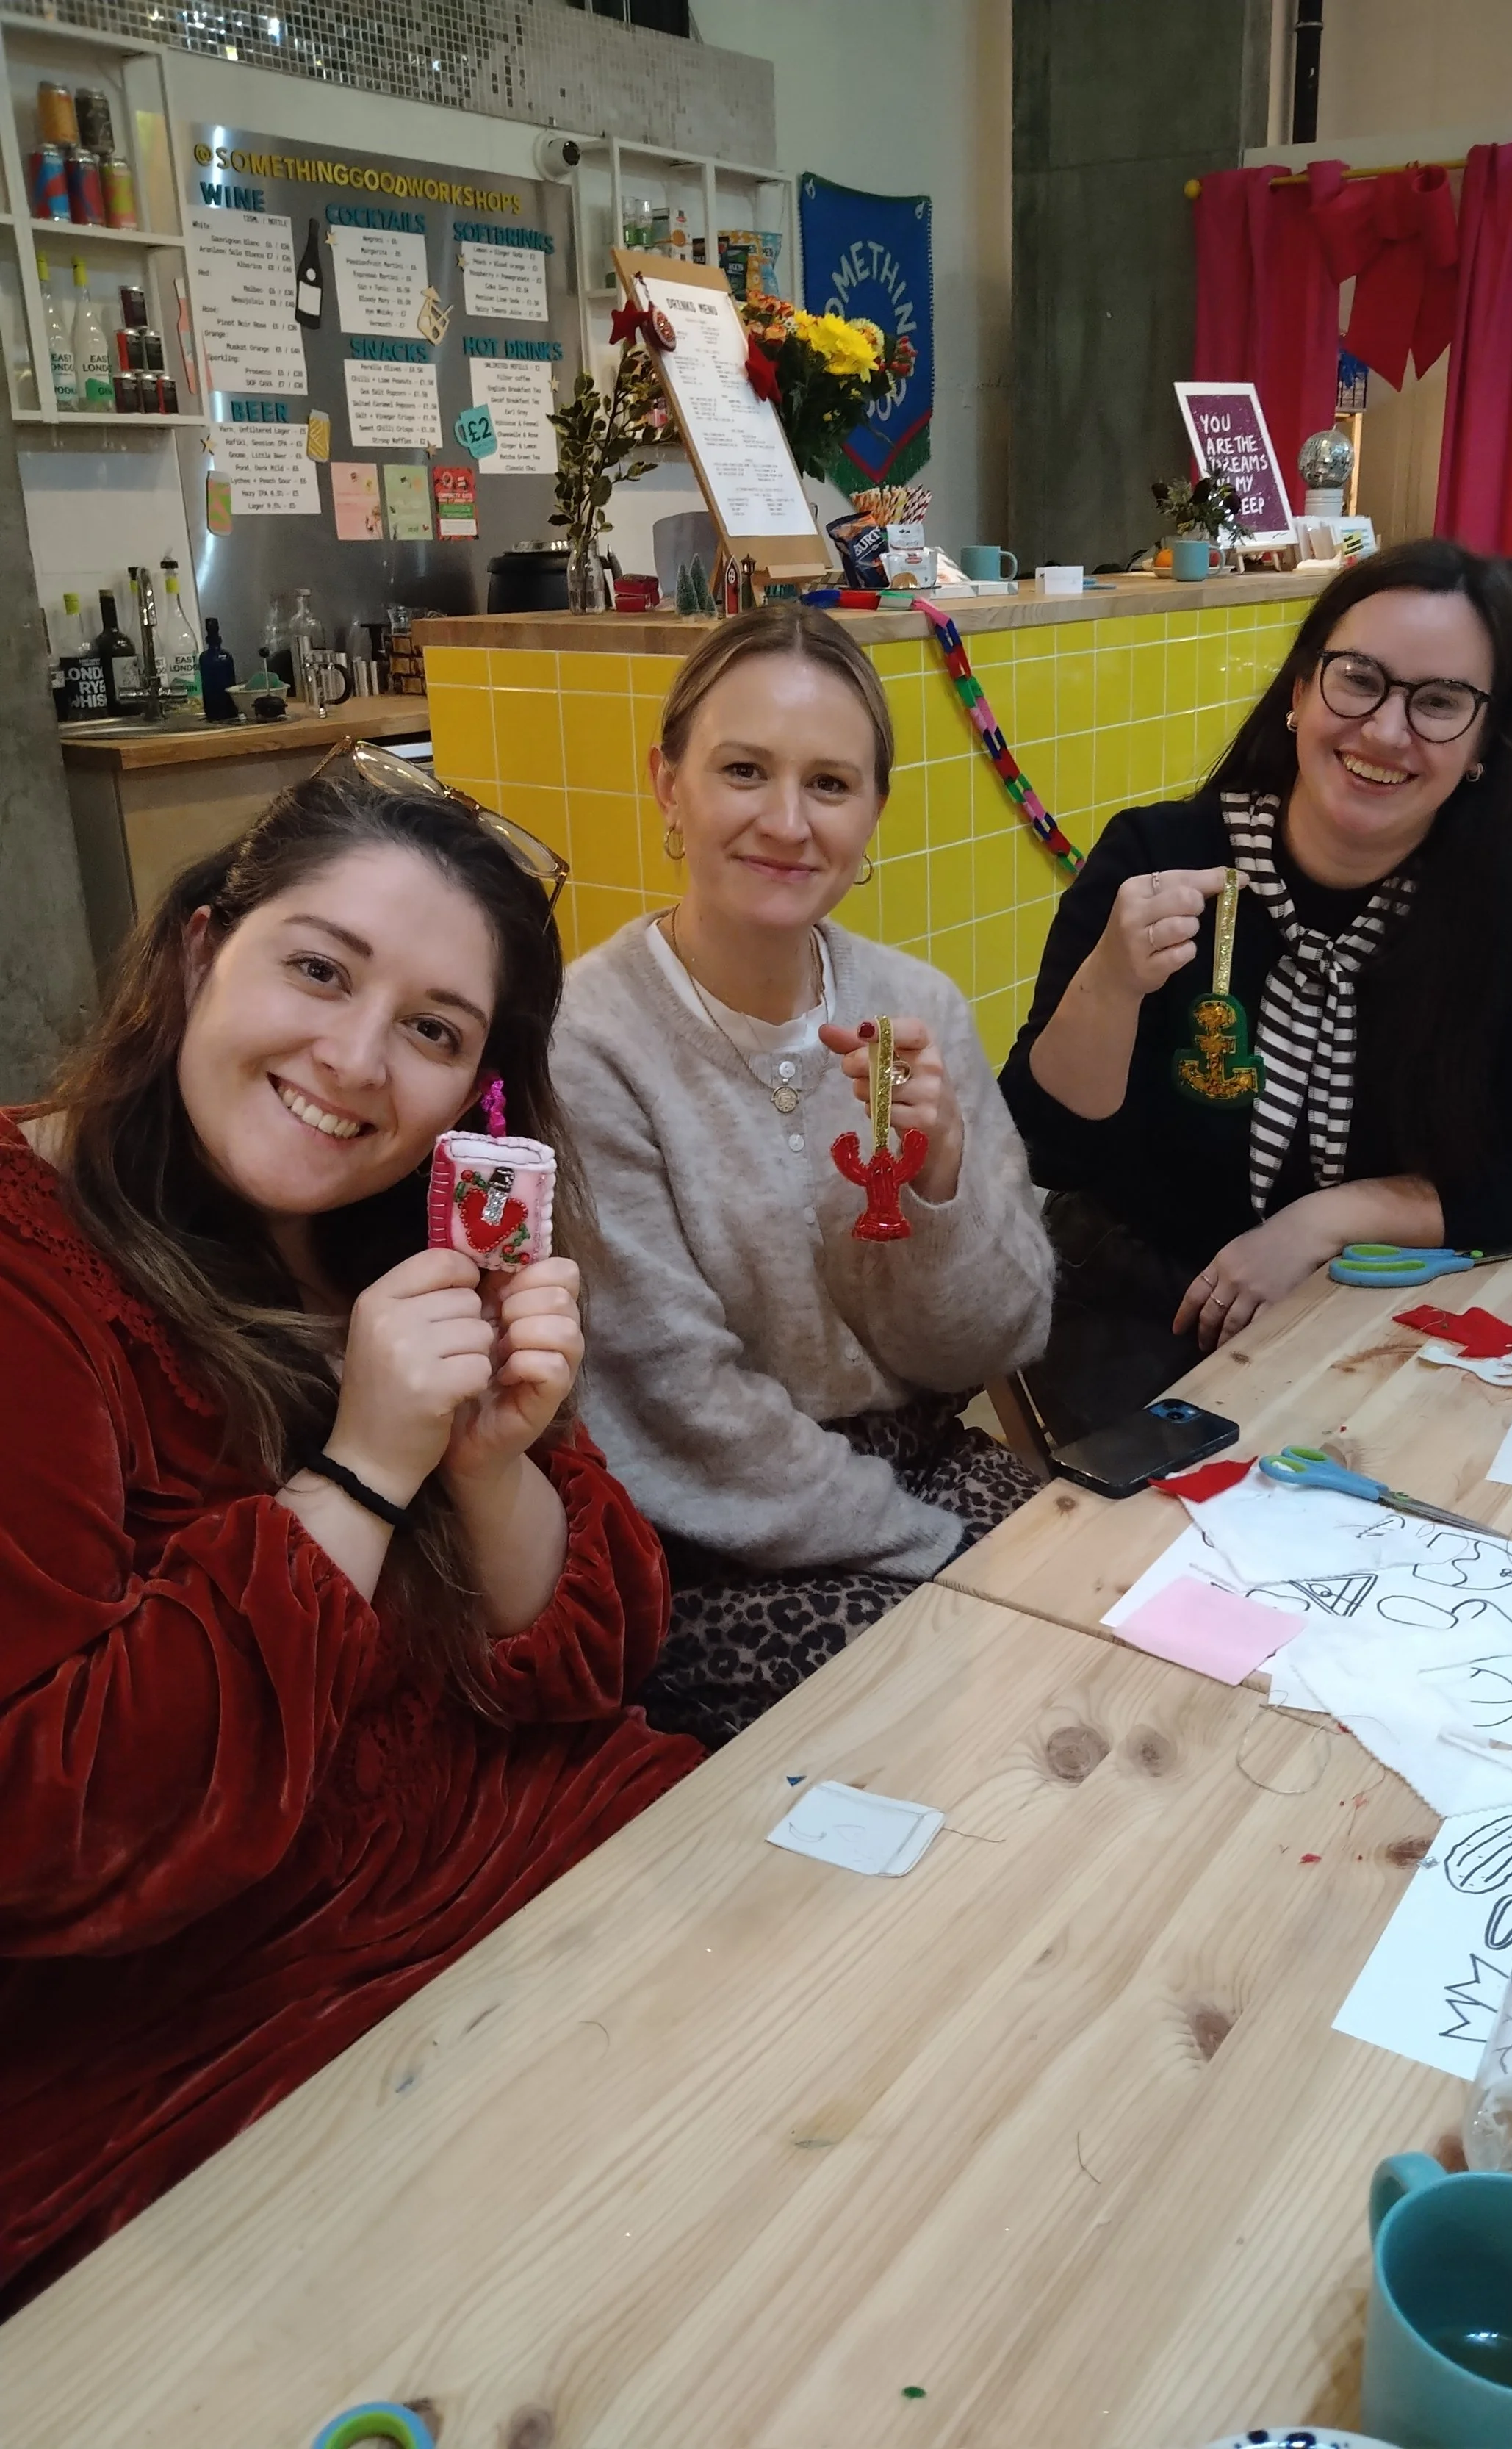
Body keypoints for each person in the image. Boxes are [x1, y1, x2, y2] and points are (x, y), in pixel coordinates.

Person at [0, 751, 700, 2311]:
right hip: (205, 2056)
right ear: (200, 952)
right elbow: (55, 1826)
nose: (357, 1059)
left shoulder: (400, 1242)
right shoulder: (28, 1268)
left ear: (478, 1093)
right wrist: (365, 1469)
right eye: (319, 968)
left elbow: (594, 1659)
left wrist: (485, 1464)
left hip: (533, 1884)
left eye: (435, 1032)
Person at [553, 605, 1054, 1749]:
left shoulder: (915, 1008)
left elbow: (996, 1344)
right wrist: (947, 1554)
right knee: (958, 1716)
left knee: (1120, 1639)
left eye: (830, 784)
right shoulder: (590, 1043)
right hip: (712, 1539)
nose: (786, 822)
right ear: (668, 786)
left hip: (924, 1467)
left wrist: (938, 1188)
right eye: (743, 771)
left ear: (874, 812)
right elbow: (677, 1408)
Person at [1000, 538, 1512, 1443]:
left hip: (1395, 1307)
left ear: (1485, 741)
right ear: (1299, 692)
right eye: (1357, 680)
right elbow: (1051, 1149)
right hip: (1143, 1311)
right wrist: (1111, 983)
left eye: (1438, 703)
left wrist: (1323, 1219)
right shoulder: (1160, 858)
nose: (1386, 731)